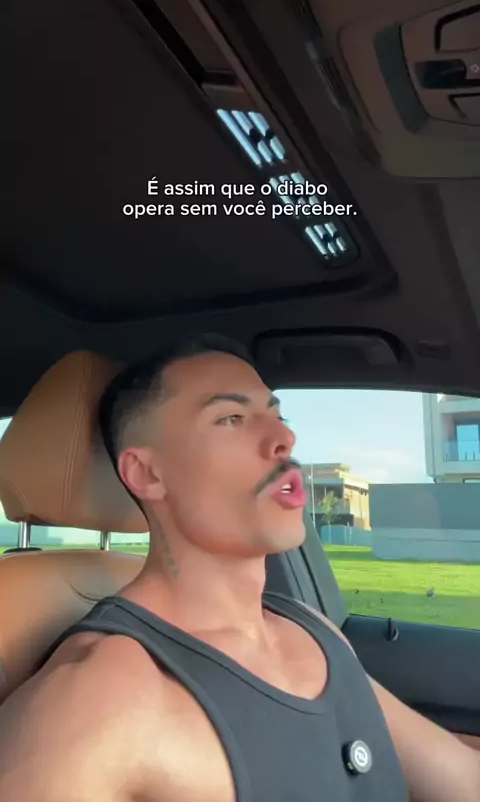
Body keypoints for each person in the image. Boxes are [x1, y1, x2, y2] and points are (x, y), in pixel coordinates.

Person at [0, 334, 479, 801]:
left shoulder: (313, 631)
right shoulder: (94, 701)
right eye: (230, 418)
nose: (284, 438)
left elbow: (460, 775)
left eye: (278, 416)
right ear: (147, 473)